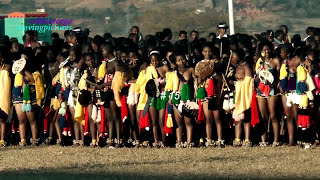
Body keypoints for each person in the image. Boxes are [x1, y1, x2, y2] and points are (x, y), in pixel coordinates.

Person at [255, 40, 281, 147]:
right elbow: (256, 78)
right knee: (263, 116)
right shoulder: (259, 62)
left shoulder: (275, 61)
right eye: (264, 49)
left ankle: (276, 140)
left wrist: (273, 83)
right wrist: (260, 73)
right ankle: (263, 140)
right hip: (261, 90)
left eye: (268, 49)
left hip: (272, 90)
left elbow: (280, 76)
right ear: (261, 51)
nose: (267, 51)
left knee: (273, 115)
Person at [231, 49, 253, 147]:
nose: (231, 59)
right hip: (237, 95)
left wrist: (240, 81)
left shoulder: (246, 66)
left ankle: (247, 139)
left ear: (238, 57)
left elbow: (249, 81)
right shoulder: (235, 67)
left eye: (233, 57)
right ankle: (238, 139)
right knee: (238, 119)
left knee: (246, 119)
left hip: (244, 96)